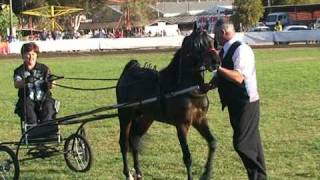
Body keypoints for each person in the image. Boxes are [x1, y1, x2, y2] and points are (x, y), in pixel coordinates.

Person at [211, 19, 267, 180]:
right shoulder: (224, 51)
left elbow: (237, 77)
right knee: (253, 143)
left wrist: (218, 68)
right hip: (235, 103)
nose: (215, 38)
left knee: (242, 144)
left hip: (246, 103)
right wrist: (209, 85)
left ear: (223, 33)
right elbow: (220, 77)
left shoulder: (242, 50)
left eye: (216, 34)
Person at [13, 42, 56, 125]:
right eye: (28, 54)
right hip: (27, 100)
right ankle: (33, 134)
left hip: (44, 99)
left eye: (33, 54)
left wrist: (51, 81)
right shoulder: (19, 71)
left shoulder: (44, 68)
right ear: (23, 56)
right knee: (29, 114)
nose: (31, 57)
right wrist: (26, 80)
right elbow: (16, 84)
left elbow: (52, 85)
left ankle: (47, 134)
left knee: (48, 109)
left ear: (37, 55)